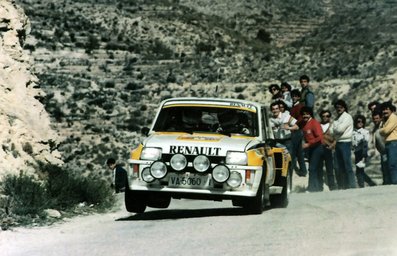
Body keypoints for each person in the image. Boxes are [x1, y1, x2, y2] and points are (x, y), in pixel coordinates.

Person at [330, 99, 356, 189]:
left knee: (347, 164)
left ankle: (352, 185)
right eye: (337, 108)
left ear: (344, 108)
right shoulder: (337, 118)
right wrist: (336, 129)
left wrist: (335, 128)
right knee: (338, 166)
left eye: (340, 107)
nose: (338, 109)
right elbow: (331, 131)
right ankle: (343, 185)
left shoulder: (347, 117)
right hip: (338, 142)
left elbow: (339, 129)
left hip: (345, 142)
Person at [300, 106, 323, 192]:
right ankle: (317, 188)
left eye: (307, 114)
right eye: (303, 114)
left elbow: (319, 137)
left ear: (310, 114)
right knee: (315, 168)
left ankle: (311, 188)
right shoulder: (304, 123)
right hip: (311, 148)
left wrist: (308, 144)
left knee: (312, 168)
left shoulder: (314, 123)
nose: (305, 116)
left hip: (318, 147)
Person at [352, 115, 376, 188]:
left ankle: (363, 184)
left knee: (360, 169)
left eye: (362, 122)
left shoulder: (365, 132)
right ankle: (365, 183)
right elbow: (353, 143)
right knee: (359, 170)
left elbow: (365, 143)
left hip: (362, 152)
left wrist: (364, 155)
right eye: (358, 121)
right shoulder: (353, 132)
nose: (360, 123)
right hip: (356, 152)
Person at [289, 89, 307, 177]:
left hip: (296, 131)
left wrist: (292, 124)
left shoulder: (299, 106)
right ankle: (303, 171)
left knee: (293, 152)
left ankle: (293, 170)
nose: (294, 98)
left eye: (295, 96)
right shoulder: (293, 106)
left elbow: (300, 119)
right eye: (292, 96)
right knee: (299, 152)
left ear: (299, 97)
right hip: (296, 130)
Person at [318, 110, 337, 190]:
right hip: (319, 148)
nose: (325, 117)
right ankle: (320, 187)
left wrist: (332, 146)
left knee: (330, 169)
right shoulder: (318, 125)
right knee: (319, 169)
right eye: (323, 116)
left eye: (327, 116)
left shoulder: (333, 126)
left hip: (329, 149)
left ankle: (332, 186)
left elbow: (337, 138)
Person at [379, 101, 397, 184]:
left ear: (391, 110)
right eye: (383, 109)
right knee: (389, 164)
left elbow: (385, 131)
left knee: (392, 164)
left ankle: (394, 182)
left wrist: (381, 130)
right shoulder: (386, 120)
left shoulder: (393, 118)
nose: (385, 111)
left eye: (387, 109)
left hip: (393, 142)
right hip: (388, 143)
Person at [371, 110, 389, 184]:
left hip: (386, 150)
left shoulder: (383, 126)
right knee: (384, 168)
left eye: (377, 118)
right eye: (374, 119)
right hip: (381, 151)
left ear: (381, 118)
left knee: (387, 167)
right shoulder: (375, 127)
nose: (375, 120)